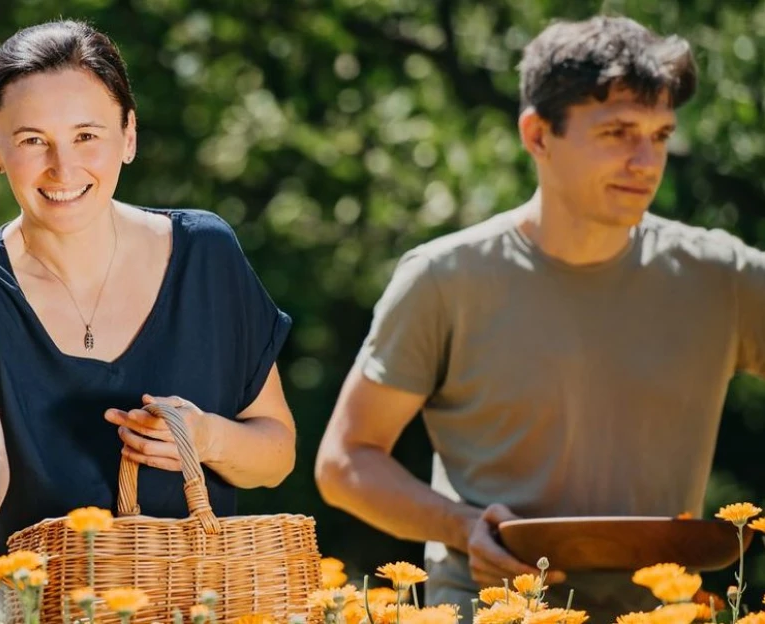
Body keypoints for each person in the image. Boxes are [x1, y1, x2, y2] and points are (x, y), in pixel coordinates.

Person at [314, 14, 765, 623]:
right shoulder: (446, 278)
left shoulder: (725, 278)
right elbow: (346, 461)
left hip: (668, 613)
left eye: (660, 135)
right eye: (618, 132)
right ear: (537, 135)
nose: (646, 160)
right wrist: (461, 524)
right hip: (494, 610)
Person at [0, 20, 296, 620]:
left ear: (128, 136)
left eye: (86, 135)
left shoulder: (207, 253)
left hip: (205, 606)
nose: (63, 169)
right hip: (46, 609)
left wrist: (207, 437)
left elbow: (277, 450)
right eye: (33, 140)